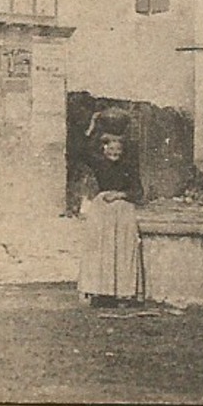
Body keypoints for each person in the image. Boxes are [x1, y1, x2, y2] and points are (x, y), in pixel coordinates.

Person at [77, 131, 143, 306]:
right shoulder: (99, 164)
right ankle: (101, 292)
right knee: (101, 249)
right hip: (102, 211)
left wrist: (119, 195)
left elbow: (138, 192)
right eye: (111, 148)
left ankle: (123, 293)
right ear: (104, 149)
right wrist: (92, 129)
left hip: (123, 210)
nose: (115, 152)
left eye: (118, 149)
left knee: (122, 249)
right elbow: (82, 150)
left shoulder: (128, 167)